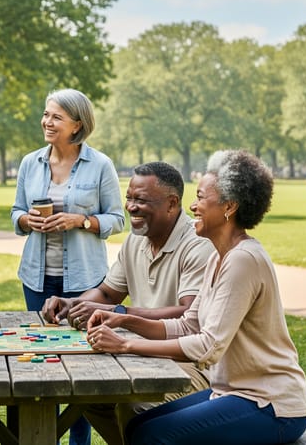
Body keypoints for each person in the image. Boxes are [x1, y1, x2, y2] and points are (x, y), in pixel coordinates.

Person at [86, 150, 306, 445]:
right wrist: (125, 319)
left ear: (229, 207)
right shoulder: (220, 257)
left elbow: (208, 346)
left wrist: (126, 343)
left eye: (201, 198)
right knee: (138, 425)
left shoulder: (243, 259)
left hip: (271, 404)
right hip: (232, 392)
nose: (192, 206)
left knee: (150, 435)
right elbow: (189, 324)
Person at [40, 161, 214, 445]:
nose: (131, 207)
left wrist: (121, 313)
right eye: (129, 198)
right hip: (143, 354)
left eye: (141, 200)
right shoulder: (137, 240)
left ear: (172, 204)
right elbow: (108, 293)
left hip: (191, 362)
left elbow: (188, 313)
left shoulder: (197, 243)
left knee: (135, 406)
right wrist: (72, 304)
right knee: (90, 396)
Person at [11, 88, 124, 445]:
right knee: (41, 356)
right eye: (46, 115)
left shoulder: (100, 164)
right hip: (37, 277)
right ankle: (42, 436)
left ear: (77, 124)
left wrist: (81, 221)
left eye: (56, 117)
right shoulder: (31, 163)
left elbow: (117, 219)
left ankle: (79, 441)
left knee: (81, 365)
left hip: (85, 280)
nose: (47, 122)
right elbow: (15, 212)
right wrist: (28, 221)